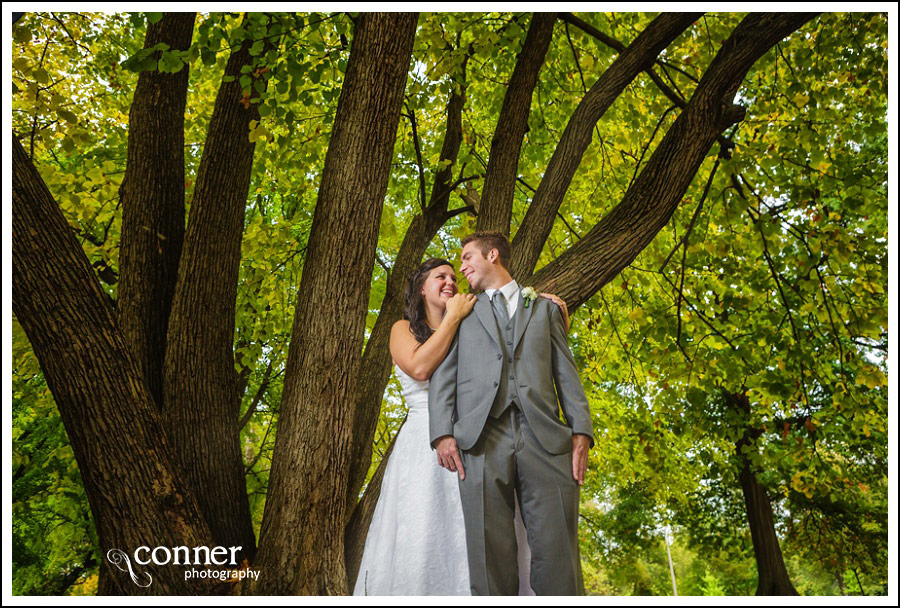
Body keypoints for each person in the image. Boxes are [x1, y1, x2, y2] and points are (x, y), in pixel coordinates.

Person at [353, 257, 568, 596]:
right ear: (422, 288)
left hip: (479, 441)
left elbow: (518, 362)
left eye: (454, 277)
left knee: (488, 537)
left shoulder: (476, 327)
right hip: (423, 446)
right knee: (425, 532)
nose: (451, 282)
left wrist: (555, 316)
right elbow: (421, 368)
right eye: (440, 276)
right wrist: (453, 317)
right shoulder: (401, 330)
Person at [428, 231, 593, 596]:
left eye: (468, 257)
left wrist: (581, 429)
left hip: (546, 438)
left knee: (558, 550)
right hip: (480, 438)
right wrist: (442, 433)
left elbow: (566, 372)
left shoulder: (546, 309)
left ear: (493, 255)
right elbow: (444, 372)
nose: (461, 266)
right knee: (489, 554)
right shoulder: (461, 312)